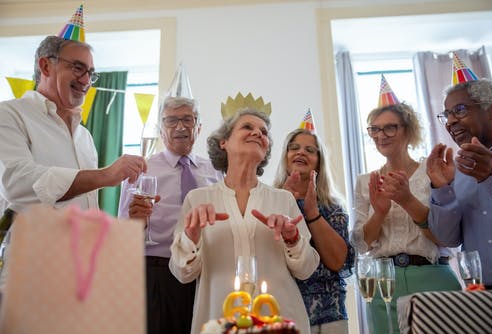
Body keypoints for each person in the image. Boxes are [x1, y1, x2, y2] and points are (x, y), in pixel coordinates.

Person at [169, 108, 320, 334]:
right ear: (224, 142)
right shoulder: (197, 200)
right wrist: (191, 237)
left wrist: (293, 239)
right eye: (248, 127)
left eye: (264, 132)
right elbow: (182, 273)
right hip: (219, 322)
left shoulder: (283, 199)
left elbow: (306, 269)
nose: (258, 133)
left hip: (280, 321)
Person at [352, 91, 461, 333]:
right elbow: (361, 244)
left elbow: (447, 238)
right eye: (375, 129)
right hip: (382, 284)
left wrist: (407, 200)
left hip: (432, 277)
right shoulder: (364, 182)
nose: (381, 135)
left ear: (409, 130)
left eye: (390, 128)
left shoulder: (432, 172)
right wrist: (379, 213)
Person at [0, 35, 145, 216]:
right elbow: (16, 184)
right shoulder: (9, 114)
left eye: (91, 74)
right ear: (46, 66)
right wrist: (105, 175)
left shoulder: (85, 136)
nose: (86, 81)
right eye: (78, 68)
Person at [118, 91, 223, 333]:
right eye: (171, 120)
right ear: (160, 128)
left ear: (198, 127)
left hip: (205, 273)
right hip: (158, 273)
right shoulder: (141, 169)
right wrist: (138, 222)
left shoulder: (215, 171)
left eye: (188, 119)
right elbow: (122, 235)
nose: (180, 126)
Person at [274, 128, 355, 334]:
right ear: (285, 156)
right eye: (294, 148)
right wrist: (282, 202)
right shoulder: (269, 200)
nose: (301, 153)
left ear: (319, 161)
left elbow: (338, 262)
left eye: (310, 150)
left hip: (329, 315)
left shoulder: (333, 207)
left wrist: (313, 214)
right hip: (283, 313)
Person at [427, 78, 492, 289]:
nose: (450, 122)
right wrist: (442, 189)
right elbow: (448, 239)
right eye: (447, 114)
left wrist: (490, 180)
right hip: (480, 293)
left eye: (459, 110)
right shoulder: (459, 168)